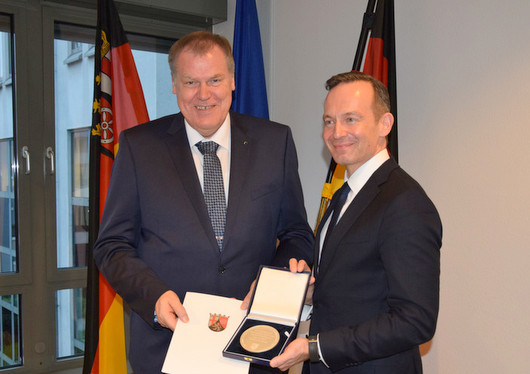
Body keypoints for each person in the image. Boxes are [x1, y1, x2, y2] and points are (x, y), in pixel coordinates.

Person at [93, 31, 314, 373]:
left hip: (255, 346)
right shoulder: (139, 148)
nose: (203, 94)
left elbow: (297, 235)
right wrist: (153, 297)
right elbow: (111, 246)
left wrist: (275, 281)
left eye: (214, 80)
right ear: (174, 85)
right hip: (166, 348)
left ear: (233, 81)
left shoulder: (275, 142)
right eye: (191, 82)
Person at [270, 71, 442, 373]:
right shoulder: (345, 195)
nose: (336, 132)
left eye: (351, 119)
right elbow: (357, 287)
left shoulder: (404, 202)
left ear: (384, 124)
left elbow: (414, 320)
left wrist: (316, 348)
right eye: (329, 121)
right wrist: (311, 294)